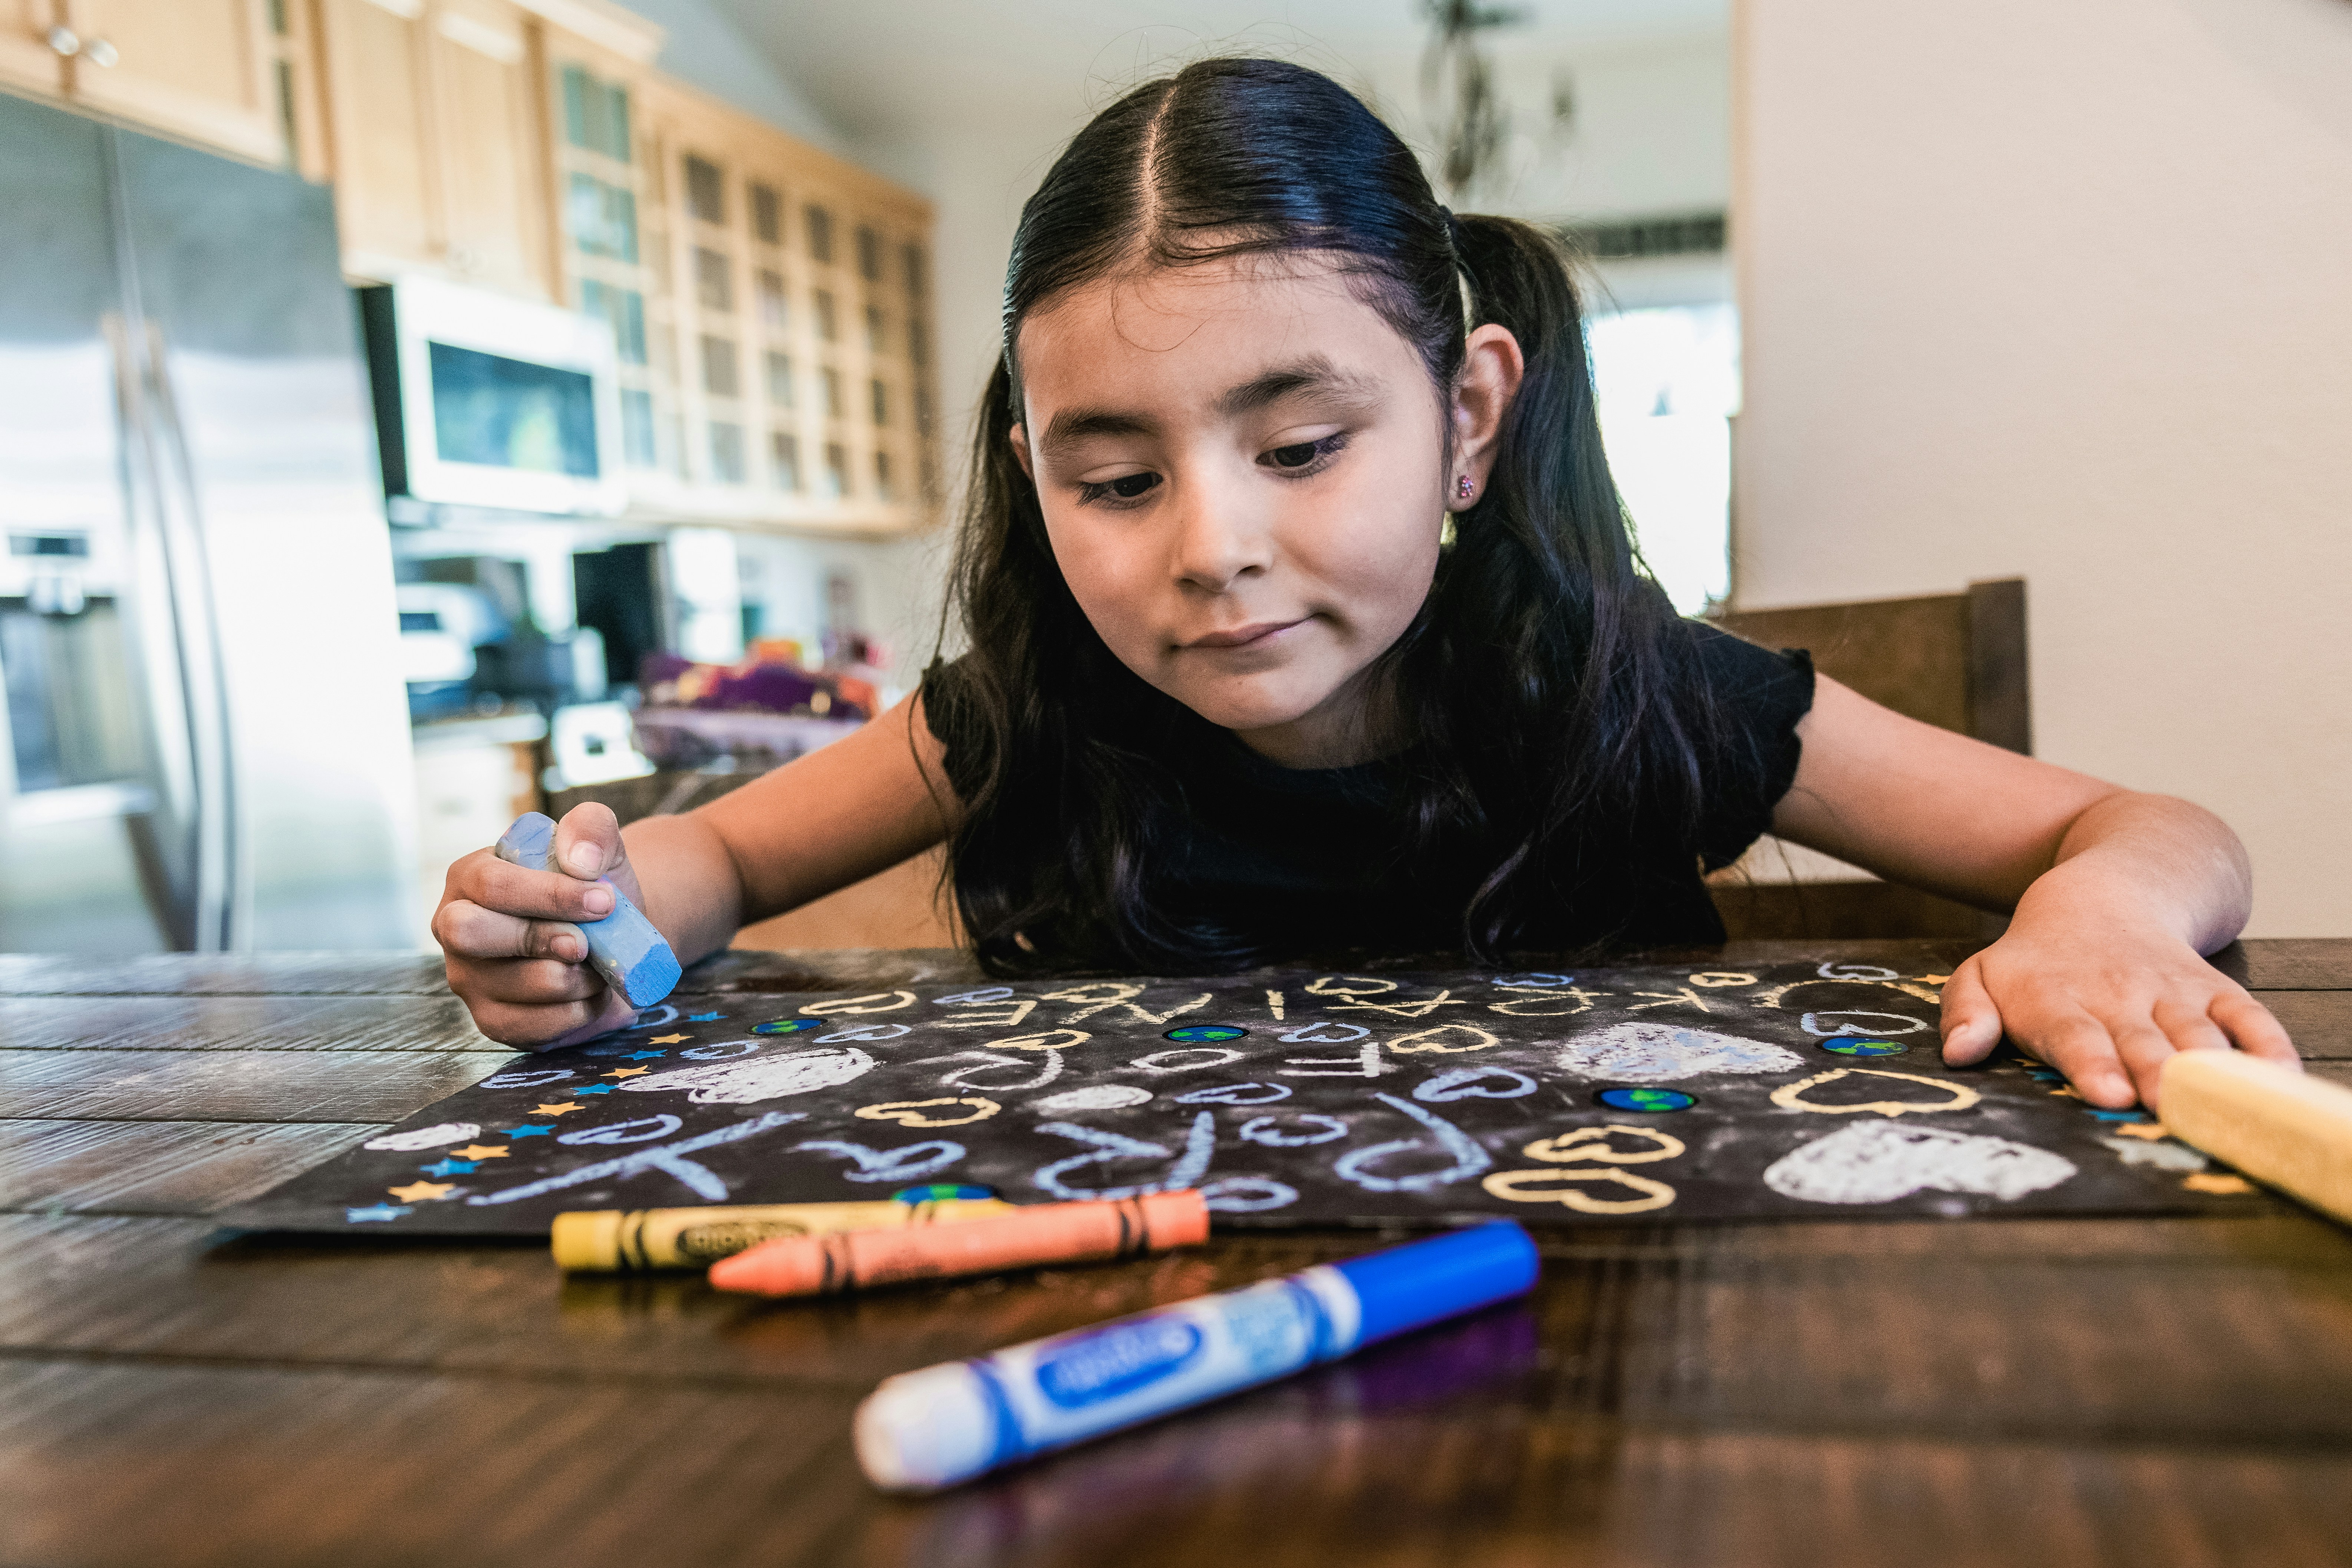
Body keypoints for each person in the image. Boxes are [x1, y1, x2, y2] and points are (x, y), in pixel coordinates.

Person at [434, 58, 2294, 1111]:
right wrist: (601, 917)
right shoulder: (1034, 704)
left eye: (1301, 445)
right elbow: (726, 860)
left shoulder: (1623, 685)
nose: (1209, 542)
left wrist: (2103, 922)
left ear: (1465, 419)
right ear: (1032, 475)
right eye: (1112, 475)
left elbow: (2148, 825)